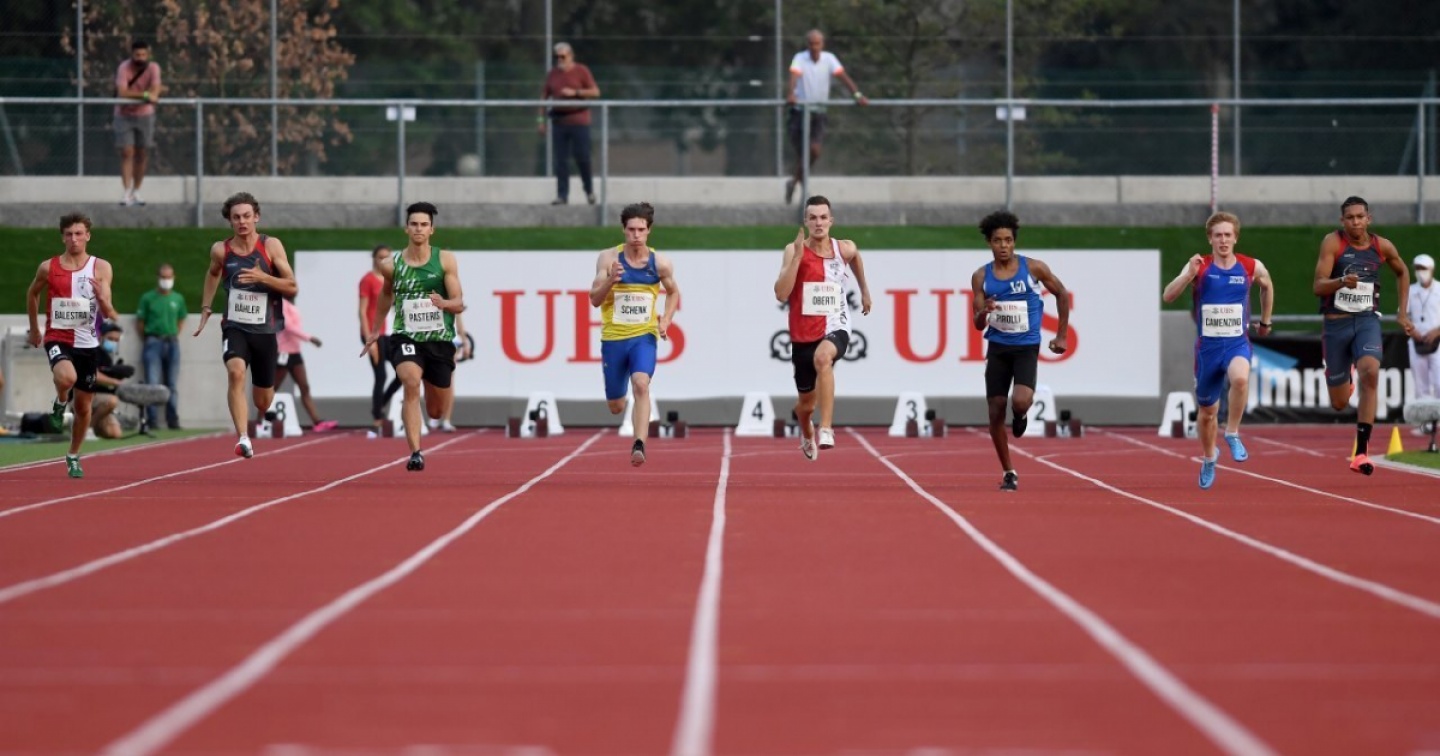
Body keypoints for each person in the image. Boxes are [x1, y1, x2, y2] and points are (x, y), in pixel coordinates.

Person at [1162, 212, 1274, 489]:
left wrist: (1266, 321)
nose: (1223, 240)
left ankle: (1232, 432)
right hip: (1208, 349)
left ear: (1235, 238)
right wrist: (1189, 275)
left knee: (1240, 379)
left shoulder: (1250, 266)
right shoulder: (1200, 266)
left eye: (1227, 235)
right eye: (1218, 235)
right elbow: (1168, 295)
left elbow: (1267, 285)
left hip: (1237, 343)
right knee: (1207, 412)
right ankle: (1210, 456)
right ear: (1210, 239)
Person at [1312, 196, 1415, 475]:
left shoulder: (1382, 246)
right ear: (1342, 221)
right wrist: (1340, 282)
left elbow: (1402, 272)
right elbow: (1318, 286)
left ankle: (1360, 452)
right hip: (1336, 325)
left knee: (1370, 372)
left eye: (1360, 217)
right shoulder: (1333, 243)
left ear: (1369, 219)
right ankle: (1345, 376)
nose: (1355, 222)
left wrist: (1402, 313)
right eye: (1350, 218)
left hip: (1367, 321)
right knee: (1339, 403)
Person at [969, 210, 1070, 492]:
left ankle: (1021, 415)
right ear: (989, 242)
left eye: (1008, 240)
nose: (1004, 246)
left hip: (1026, 347)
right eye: (998, 241)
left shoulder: (1034, 268)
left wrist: (1061, 335)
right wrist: (985, 311)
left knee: (1021, 401)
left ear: (1014, 242)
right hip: (998, 348)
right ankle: (1009, 471)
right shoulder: (981, 276)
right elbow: (977, 323)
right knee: (995, 410)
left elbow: (1061, 293)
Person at [363, 202, 466, 471]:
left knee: (435, 410)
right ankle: (416, 452)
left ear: (432, 229)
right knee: (410, 381)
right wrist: (375, 330)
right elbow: (386, 295)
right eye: (414, 224)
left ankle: (431, 396)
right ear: (406, 228)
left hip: (439, 340)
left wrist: (444, 303)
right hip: (405, 336)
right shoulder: (391, 264)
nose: (418, 229)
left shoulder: (445, 260)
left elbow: (458, 302)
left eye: (424, 224)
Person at [194, 192, 297, 459]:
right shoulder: (221, 250)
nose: (242, 222)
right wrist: (206, 307)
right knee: (236, 372)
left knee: (262, 401)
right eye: (236, 217)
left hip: (265, 330)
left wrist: (264, 278)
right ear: (230, 221)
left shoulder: (271, 246)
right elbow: (213, 273)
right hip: (235, 326)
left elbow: (291, 286)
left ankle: (262, 408)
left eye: (247, 216)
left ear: (256, 217)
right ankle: (243, 438)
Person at [773, 195, 872, 460]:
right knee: (806, 405)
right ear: (805, 221)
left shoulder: (844, 249)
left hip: (836, 323)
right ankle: (806, 429)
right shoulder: (793, 250)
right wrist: (797, 259)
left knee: (823, 358)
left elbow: (856, 258)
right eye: (813, 218)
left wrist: (864, 290)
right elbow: (781, 294)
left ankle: (826, 428)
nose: (818, 223)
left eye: (823, 217)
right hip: (803, 333)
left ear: (831, 221)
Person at [24, 212, 120, 478]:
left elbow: (110, 312)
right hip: (58, 336)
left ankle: (73, 455)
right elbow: (32, 294)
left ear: (88, 236)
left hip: (87, 343)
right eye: (69, 234)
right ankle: (60, 400)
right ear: (62, 237)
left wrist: (103, 300)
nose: (74, 239)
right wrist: (35, 329)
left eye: (79, 234)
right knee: (66, 377)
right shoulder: (48, 267)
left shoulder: (101, 267)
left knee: (84, 408)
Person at [589, 202, 681, 466]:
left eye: (641, 230)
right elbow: (594, 299)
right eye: (631, 230)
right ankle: (622, 406)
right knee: (616, 406)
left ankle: (639, 443)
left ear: (649, 230)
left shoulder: (660, 263)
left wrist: (666, 319)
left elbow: (673, 292)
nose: (636, 235)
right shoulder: (608, 259)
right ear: (623, 230)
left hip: (644, 336)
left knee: (641, 383)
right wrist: (610, 280)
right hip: (614, 339)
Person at [784, 29, 868, 205]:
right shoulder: (800, 58)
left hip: (819, 113)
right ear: (807, 45)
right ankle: (801, 190)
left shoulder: (829, 59)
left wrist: (857, 95)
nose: (814, 47)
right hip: (800, 112)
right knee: (802, 153)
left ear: (822, 44)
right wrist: (790, 94)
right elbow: (793, 76)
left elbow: (843, 77)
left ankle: (794, 182)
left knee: (814, 151)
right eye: (811, 43)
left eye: (817, 43)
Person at [539, 42, 600, 206]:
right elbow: (543, 98)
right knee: (561, 160)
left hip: (579, 121)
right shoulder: (553, 74)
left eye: (563, 56)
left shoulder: (581, 70)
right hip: (559, 122)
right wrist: (540, 120)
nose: (559, 59)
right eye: (557, 56)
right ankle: (562, 195)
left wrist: (576, 92)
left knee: (582, 157)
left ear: (571, 56)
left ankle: (589, 190)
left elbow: (595, 92)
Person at [276, 295, 337, 432]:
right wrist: (309, 338)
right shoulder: (281, 304)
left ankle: (317, 422)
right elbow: (288, 326)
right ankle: (259, 421)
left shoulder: (292, 305)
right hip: (283, 353)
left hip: (295, 353)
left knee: (304, 387)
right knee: (272, 388)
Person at [135, 262, 186, 429]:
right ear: (158, 278)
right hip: (153, 341)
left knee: (172, 383)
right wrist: (149, 337)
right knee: (152, 382)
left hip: (172, 342)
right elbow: (140, 322)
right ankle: (152, 419)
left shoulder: (178, 298)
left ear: (174, 277)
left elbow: (181, 320)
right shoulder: (147, 298)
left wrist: (173, 333)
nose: (166, 280)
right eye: (163, 277)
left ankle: (173, 419)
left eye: (169, 277)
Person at [359, 245, 402, 437]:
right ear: (374, 259)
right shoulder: (367, 280)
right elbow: (362, 311)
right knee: (381, 375)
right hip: (373, 333)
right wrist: (370, 340)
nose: (383, 260)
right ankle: (376, 420)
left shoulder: (392, 279)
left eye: (387, 257)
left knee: (403, 372)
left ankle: (380, 403)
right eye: (380, 257)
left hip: (389, 333)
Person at [114, 40, 162, 207]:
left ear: (148, 55)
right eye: (137, 55)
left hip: (145, 116)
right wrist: (145, 95)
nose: (140, 58)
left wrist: (151, 94)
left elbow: (156, 89)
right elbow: (122, 92)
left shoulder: (153, 68)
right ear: (132, 55)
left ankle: (137, 190)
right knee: (127, 152)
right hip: (124, 114)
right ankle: (127, 191)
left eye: (143, 55)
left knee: (142, 153)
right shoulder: (124, 68)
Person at [428, 312, 471, 433]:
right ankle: (435, 414)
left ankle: (446, 419)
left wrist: (465, 343)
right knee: (432, 380)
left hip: (450, 340)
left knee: (449, 381)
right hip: (432, 339)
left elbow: (459, 321)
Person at [1407, 253, 1440, 403]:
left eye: (1424, 268)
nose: (1421, 272)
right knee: (1421, 386)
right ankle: (1424, 417)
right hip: (1417, 341)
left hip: (1438, 342)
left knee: (1439, 383)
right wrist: (1412, 331)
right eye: (1418, 268)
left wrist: (1437, 331)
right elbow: (1402, 316)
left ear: (1431, 269)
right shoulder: (1410, 290)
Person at [90, 320, 131, 439]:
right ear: (101, 337)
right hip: (86, 396)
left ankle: (93, 423)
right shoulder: (92, 352)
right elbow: (93, 375)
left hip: (102, 400)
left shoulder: (109, 356)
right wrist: (116, 382)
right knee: (112, 401)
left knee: (115, 433)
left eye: (116, 340)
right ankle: (86, 428)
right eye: (110, 339)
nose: (113, 342)